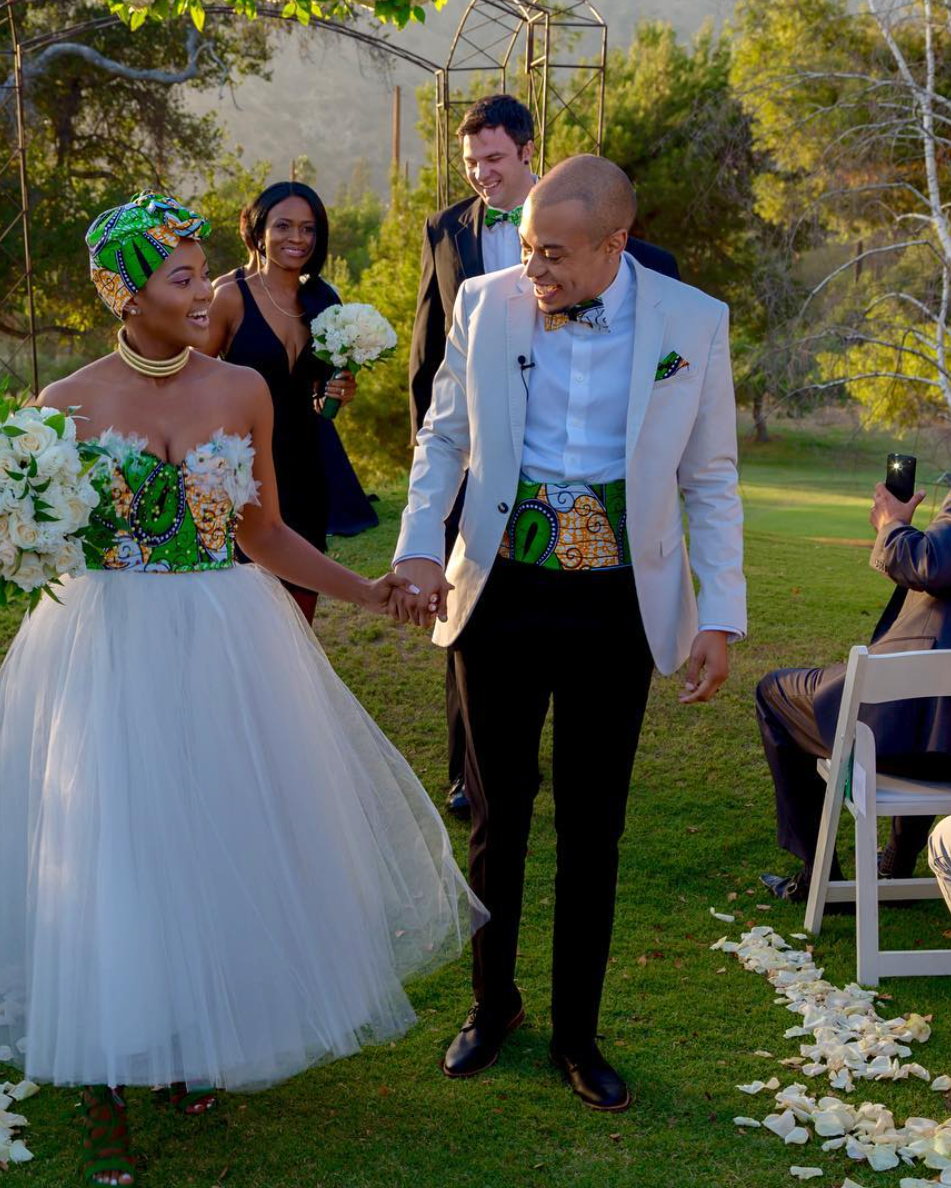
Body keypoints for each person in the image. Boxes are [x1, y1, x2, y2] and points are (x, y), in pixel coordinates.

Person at [0, 192, 484, 1188]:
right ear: (121, 291)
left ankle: (182, 1038)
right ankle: (102, 1077)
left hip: (220, 634)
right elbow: (39, 540)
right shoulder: (63, 404)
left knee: (203, 837)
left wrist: (367, 593)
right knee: (111, 844)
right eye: (182, 277)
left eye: (202, 272)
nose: (205, 292)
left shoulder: (242, 389)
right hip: (102, 643)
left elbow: (263, 533)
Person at [391, 156, 746, 1111]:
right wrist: (420, 550)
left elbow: (710, 476)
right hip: (499, 590)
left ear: (614, 244)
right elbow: (445, 437)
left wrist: (720, 613)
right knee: (496, 813)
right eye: (525, 246)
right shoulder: (484, 300)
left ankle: (579, 1036)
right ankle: (492, 1004)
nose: (532, 268)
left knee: (595, 826)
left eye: (552, 253)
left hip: (617, 607)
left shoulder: (692, 322)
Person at [410, 93, 680, 820]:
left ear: (528, 151)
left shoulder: (663, 286)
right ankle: (473, 772)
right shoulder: (456, 248)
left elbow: (702, 462)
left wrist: (717, 609)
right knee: (495, 790)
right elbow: (434, 378)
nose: (480, 172)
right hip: (491, 511)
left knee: (594, 813)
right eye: (470, 161)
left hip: (615, 575)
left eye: (492, 157)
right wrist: (426, 524)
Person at [758, 486, 950, 903]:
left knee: (774, 693)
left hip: (910, 735)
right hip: (938, 739)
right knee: (929, 707)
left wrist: (891, 526)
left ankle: (821, 879)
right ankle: (896, 867)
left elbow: (933, 564)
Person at [205, 181, 366, 622]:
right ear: (258, 231)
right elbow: (193, 378)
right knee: (245, 602)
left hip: (307, 464)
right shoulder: (230, 297)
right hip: (244, 467)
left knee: (299, 605)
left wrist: (336, 392)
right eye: (285, 226)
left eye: (309, 229)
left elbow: (320, 390)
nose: (298, 238)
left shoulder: (323, 299)